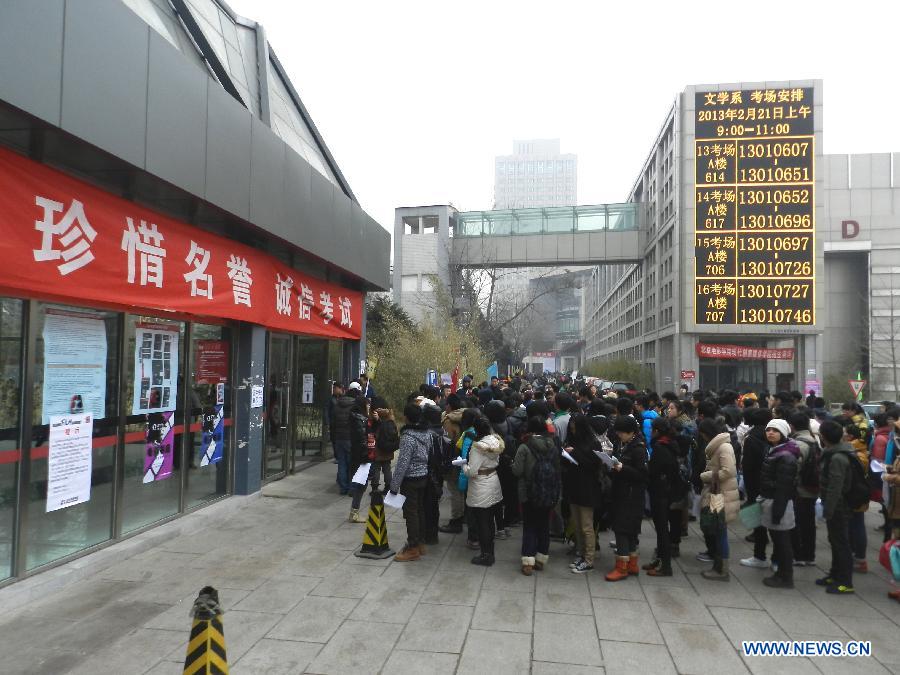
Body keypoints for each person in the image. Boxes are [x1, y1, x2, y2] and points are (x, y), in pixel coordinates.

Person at [512, 415, 561, 575]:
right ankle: (541, 559)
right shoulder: (553, 445)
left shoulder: (525, 446)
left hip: (528, 493)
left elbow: (517, 470)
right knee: (544, 526)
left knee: (530, 526)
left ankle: (528, 562)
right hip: (548, 492)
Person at [757, 419, 800, 588]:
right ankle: (782, 573)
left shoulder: (786, 456)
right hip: (773, 500)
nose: (770, 433)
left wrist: (777, 511)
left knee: (782, 541)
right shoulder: (776, 450)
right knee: (778, 540)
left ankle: (786, 576)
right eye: (768, 430)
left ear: (783, 433)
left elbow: (784, 486)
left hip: (779, 502)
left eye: (775, 430)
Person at [605, 416, 648, 582]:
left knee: (623, 530)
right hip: (624, 493)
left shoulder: (638, 449)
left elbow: (642, 475)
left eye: (621, 433)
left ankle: (622, 567)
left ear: (631, 432)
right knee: (629, 530)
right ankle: (632, 564)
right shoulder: (627, 445)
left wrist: (622, 468)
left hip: (630, 496)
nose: (619, 435)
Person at [389, 403, 433, 562]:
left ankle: (413, 547)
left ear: (406, 417)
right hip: (423, 477)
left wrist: (394, 486)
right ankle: (420, 543)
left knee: (411, 513)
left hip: (411, 480)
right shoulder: (427, 433)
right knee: (420, 510)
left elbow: (402, 463)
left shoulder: (408, 437)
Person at [816, 420, 856, 594]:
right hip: (833, 504)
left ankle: (846, 582)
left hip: (839, 506)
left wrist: (829, 510)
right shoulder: (832, 452)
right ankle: (835, 574)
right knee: (835, 540)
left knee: (841, 543)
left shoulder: (838, 457)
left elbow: (836, 487)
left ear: (823, 437)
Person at [698, 417, 740, 581]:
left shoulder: (723, 447)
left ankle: (722, 569)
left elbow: (728, 471)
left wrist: (705, 476)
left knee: (720, 530)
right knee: (716, 529)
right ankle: (718, 565)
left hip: (720, 495)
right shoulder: (718, 446)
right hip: (717, 493)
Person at [461, 417, 504, 566]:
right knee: (490, 520)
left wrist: (463, 466)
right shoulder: (495, 441)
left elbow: (472, 471)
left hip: (480, 485)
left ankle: (486, 555)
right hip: (493, 479)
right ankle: (490, 552)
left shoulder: (478, 447)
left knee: (482, 521)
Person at [563, 414, 603, 574]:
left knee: (587, 526)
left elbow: (593, 464)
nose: (572, 429)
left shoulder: (593, 442)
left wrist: (575, 453)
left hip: (588, 488)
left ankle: (589, 560)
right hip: (574, 486)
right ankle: (581, 553)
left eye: (574, 426)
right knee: (577, 525)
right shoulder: (573, 440)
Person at [643, 416, 680, 577]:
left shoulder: (661, 447)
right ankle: (659, 560)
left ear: (657, 431)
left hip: (661, 492)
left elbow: (655, 471)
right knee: (661, 528)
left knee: (662, 529)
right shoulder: (669, 443)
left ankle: (665, 566)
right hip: (667, 490)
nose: (650, 432)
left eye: (652, 429)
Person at [740, 408, 773, 569]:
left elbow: (747, 465)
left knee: (757, 517)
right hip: (771, 483)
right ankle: (776, 559)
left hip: (754, 483)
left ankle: (759, 555)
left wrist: (747, 485)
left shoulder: (751, 437)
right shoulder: (774, 436)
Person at [789, 411, 819, 566]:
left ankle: (799, 555)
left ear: (792, 426)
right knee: (809, 523)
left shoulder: (799, 444)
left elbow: (795, 468)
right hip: (812, 489)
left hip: (801, 489)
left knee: (799, 523)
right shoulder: (815, 440)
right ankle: (809, 555)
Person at [843, 422, 870, 574]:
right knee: (856, 524)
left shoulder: (855, 453)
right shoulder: (859, 449)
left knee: (856, 525)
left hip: (854, 495)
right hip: (857, 494)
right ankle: (857, 557)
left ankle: (860, 559)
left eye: (844, 432)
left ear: (850, 436)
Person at [330, 382, 359, 495]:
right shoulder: (354, 406)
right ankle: (351, 487)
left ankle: (343, 488)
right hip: (350, 438)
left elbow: (333, 422)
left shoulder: (337, 405)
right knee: (351, 463)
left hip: (339, 438)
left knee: (341, 463)